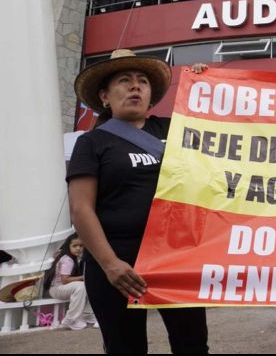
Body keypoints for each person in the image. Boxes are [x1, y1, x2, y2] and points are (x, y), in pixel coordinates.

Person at [67, 49, 209, 354]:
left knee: (193, 346)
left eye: (142, 81)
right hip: (116, 268)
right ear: (105, 96)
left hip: (175, 261)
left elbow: (222, 128)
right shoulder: (92, 142)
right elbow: (81, 209)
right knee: (125, 349)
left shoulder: (174, 129)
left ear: (150, 94)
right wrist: (111, 265)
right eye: (125, 80)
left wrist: (208, 85)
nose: (135, 86)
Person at [43, 233, 96, 330]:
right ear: (68, 246)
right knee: (81, 287)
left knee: (88, 285)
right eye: (74, 246)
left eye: (81, 246)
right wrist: (83, 277)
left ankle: (87, 315)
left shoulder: (73, 258)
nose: (78, 248)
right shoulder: (68, 259)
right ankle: (70, 320)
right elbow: (65, 280)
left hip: (60, 288)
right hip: (57, 288)